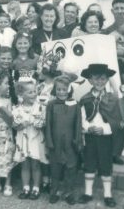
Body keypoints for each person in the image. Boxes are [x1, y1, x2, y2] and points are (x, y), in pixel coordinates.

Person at [77, 64, 122, 208]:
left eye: (103, 78)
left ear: (107, 79)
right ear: (90, 80)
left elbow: (117, 120)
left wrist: (105, 129)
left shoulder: (113, 99)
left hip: (105, 137)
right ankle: (88, 192)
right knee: (89, 163)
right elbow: (82, 118)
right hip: (90, 137)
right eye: (95, 79)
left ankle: (108, 195)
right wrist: (88, 128)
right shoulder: (85, 98)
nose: (99, 82)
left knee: (105, 165)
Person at [45, 75, 82, 205]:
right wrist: (49, 142)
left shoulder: (75, 105)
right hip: (55, 143)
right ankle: (54, 192)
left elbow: (78, 124)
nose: (61, 92)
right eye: (59, 89)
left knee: (70, 168)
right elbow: (48, 124)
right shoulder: (51, 104)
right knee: (55, 168)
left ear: (69, 89)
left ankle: (68, 193)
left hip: (70, 143)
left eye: (64, 89)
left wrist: (77, 141)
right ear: (55, 90)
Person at [12, 78, 47, 200]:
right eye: (30, 92)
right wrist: (23, 124)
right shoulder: (16, 108)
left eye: (34, 91)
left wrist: (38, 123)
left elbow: (43, 123)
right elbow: (15, 126)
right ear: (21, 94)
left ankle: (36, 188)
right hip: (23, 140)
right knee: (25, 165)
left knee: (36, 164)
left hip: (36, 139)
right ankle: (26, 188)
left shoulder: (40, 107)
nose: (34, 94)